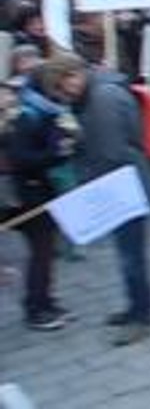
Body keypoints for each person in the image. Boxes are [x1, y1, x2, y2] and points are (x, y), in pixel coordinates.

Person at [65, 53, 150, 346]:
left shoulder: (102, 99)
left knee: (131, 256)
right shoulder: (97, 94)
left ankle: (142, 317)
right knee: (128, 254)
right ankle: (136, 308)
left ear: (75, 75)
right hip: (122, 184)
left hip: (122, 188)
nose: (64, 92)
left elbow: (110, 153)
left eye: (63, 84)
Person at [6, 56, 79, 331]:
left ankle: (44, 301)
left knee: (44, 251)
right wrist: (56, 154)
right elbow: (21, 158)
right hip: (28, 193)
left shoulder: (45, 108)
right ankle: (37, 309)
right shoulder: (29, 114)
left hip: (38, 188)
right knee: (42, 251)